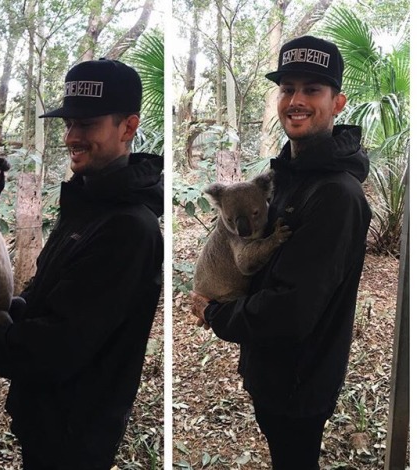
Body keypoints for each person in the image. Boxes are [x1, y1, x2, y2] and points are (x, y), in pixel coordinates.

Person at [0, 58, 164, 469]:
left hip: (74, 436)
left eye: (86, 124)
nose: (72, 136)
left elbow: (55, 347)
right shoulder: (87, 202)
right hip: (47, 422)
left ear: (128, 127)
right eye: (69, 123)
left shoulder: (128, 228)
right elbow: (42, 298)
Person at [191, 36, 372, 469]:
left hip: (300, 380)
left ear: (338, 102)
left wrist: (212, 314)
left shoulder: (335, 195)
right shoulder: (281, 177)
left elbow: (291, 310)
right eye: (288, 88)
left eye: (312, 89)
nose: (296, 99)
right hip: (273, 370)